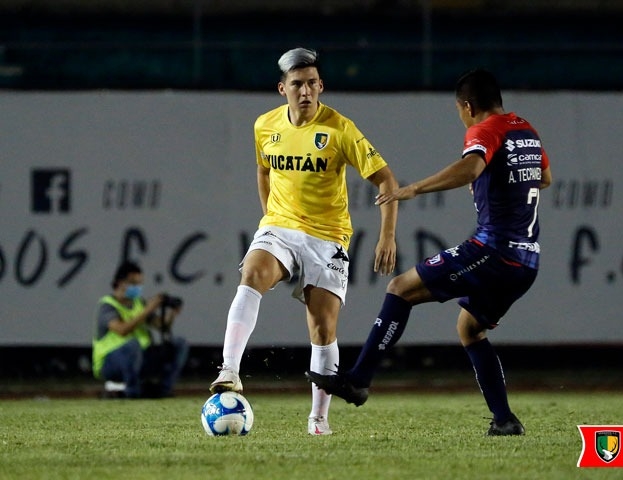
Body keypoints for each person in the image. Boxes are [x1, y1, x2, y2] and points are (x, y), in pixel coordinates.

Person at [306, 68, 552, 436]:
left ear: (468, 106)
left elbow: (470, 168)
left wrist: (414, 189)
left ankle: (358, 378)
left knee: (400, 288)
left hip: (494, 250)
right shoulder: (526, 131)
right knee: (470, 330)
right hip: (527, 260)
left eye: (459, 110)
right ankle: (504, 420)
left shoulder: (484, 130)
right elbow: (544, 178)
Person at [209, 47, 398, 435]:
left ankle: (318, 420)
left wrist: (387, 237)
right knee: (252, 273)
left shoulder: (339, 129)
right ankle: (229, 369)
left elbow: (386, 181)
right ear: (283, 89)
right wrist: (269, 219)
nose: (306, 91)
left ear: (321, 86)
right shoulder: (265, 126)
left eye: (312, 83)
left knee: (323, 329)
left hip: (327, 236)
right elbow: (263, 170)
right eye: (298, 84)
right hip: (280, 225)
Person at [92, 260, 189, 398]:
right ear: (120, 283)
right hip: (110, 363)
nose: (137, 287)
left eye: (139, 283)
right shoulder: (107, 306)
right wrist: (148, 309)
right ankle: (132, 392)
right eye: (133, 283)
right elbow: (122, 330)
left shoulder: (139, 303)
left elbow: (162, 327)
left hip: (139, 359)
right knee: (133, 344)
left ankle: (163, 390)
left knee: (179, 343)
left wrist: (172, 313)